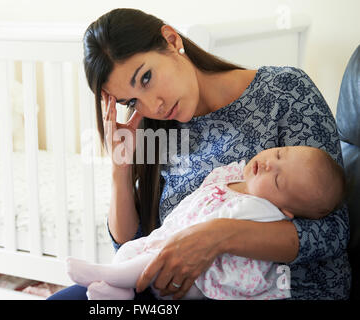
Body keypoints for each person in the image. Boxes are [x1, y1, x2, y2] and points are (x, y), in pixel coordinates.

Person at [47, 8, 351, 300]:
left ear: (171, 40)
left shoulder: (284, 90)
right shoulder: (157, 129)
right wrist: (120, 170)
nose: (154, 106)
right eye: (132, 101)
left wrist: (218, 236)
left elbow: (333, 230)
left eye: (147, 78)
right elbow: (131, 248)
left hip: (285, 290)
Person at [65, 146, 346, 300]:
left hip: (198, 278)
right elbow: (125, 237)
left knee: (148, 259)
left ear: (286, 210)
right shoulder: (234, 174)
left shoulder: (264, 211)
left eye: (277, 180)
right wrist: (120, 173)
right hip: (166, 241)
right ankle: (117, 291)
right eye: (280, 153)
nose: (270, 164)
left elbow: (335, 232)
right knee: (129, 252)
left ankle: (114, 279)